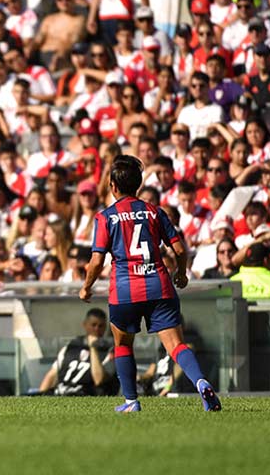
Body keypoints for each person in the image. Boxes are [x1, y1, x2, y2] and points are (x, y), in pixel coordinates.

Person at [79, 155, 221, 413]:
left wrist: (86, 287)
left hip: (125, 290)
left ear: (112, 186)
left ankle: (131, 402)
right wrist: (180, 273)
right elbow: (179, 250)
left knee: (123, 345)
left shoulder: (105, 217)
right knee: (176, 345)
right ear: (139, 184)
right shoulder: (155, 212)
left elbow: (97, 261)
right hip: (159, 285)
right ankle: (201, 382)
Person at [38, 308, 115, 396]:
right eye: (93, 325)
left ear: (105, 327)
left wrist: (93, 348)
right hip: (61, 392)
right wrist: (40, 394)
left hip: (85, 394)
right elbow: (52, 375)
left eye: (101, 326)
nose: (96, 329)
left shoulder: (109, 351)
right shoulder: (70, 347)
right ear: (85, 325)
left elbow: (98, 379)